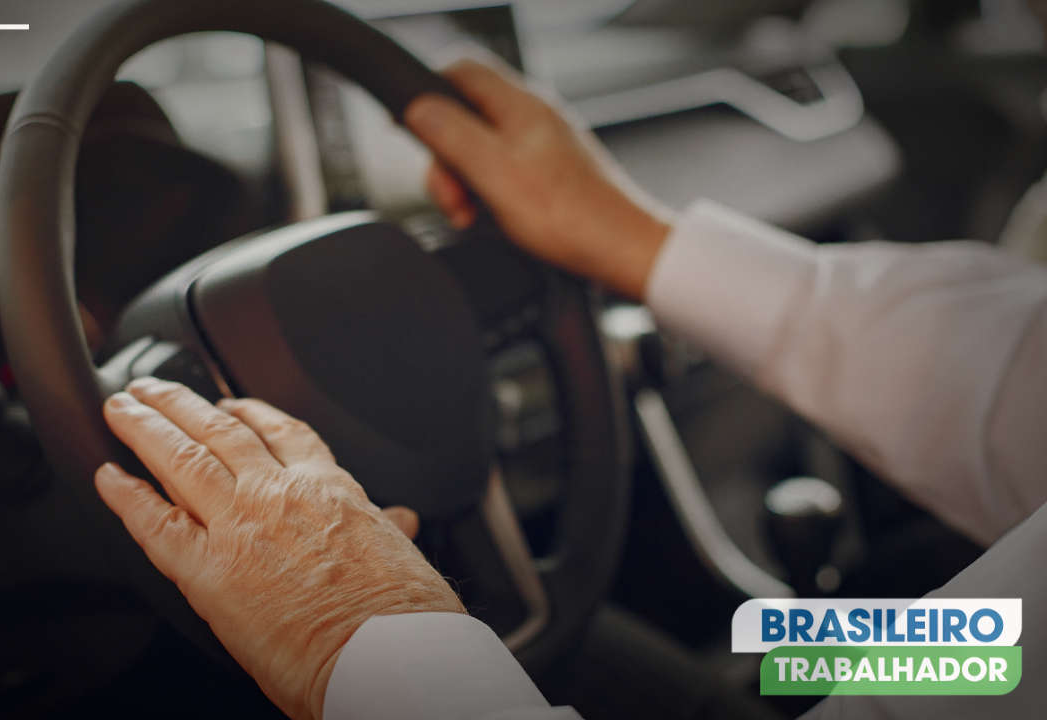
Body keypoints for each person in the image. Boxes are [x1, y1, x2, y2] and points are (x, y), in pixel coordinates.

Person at [91, 59, 1047, 720]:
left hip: (957, 655)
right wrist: (634, 239)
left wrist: (352, 638)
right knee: (746, 638)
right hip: (960, 647)